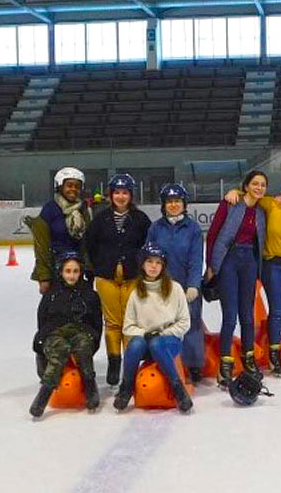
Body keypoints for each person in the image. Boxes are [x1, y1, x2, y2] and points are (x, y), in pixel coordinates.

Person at [224, 182, 281, 376]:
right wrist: (234, 191)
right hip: (273, 264)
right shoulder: (271, 205)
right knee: (278, 310)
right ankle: (275, 352)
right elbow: (252, 194)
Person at [84, 174, 151, 386]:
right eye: (117, 192)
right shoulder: (100, 219)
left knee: (131, 322)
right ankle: (114, 362)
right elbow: (88, 245)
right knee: (112, 322)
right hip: (106, 278)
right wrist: (93, 268)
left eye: (125, 192)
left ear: (131, 195)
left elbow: (149, 247)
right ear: (111, 195)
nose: (121, 196)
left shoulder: (141, 220)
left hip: (133, 277)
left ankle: (131, 362)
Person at [114, 243, 193, 413]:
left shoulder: (175, 289)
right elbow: (128, 325)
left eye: (158, 263)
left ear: (163, 266)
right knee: (134, 344)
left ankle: (178, 388)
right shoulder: (136, 292)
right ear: (142, 264)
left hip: (168, 341)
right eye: (149, 261)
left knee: (157, 343)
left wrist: (162, 334)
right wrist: (145, 334)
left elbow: (184, 322)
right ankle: (126, 387)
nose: (153, 266)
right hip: (145, 340)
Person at [206, 171, 268, 387]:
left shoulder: (262, 211)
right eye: (255, 184)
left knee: (247, 314)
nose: (259, 188)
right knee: (230, 314)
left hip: (249, 261)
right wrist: (212, 265)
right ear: (246, 186)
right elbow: (213, 234)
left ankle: (249, 358)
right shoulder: (231, 203)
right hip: (228, 260)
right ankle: (225, 362)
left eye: (263, 185)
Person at [29, 252, 103, 418]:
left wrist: (94, 338)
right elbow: (42, 320)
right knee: (60, 349)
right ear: (61, 272)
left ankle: (90, 385)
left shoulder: (89, 295)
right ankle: (44, 392)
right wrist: (42, 341)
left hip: (80, 331)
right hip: (55, 333)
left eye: (75, 271)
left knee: (83, 346)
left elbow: (97, 322)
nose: (71, 275)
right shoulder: (52, 294)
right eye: (68, 271)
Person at [146, 184, 204, 383]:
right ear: (163, 205)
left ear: (184, 204)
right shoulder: (156, 228)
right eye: (169, 202)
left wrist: (194, 285)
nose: (173, 205)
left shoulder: (193, 228)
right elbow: (148, 257)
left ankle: (193, 364)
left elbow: (197, 259)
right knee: (163, 325)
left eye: (177, 201)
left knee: (191, 325)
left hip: (186, 286)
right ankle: (165, 362)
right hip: (162, 287)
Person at [28, 167, 93, 295]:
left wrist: (90, 269)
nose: (73, 189)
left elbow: (88, 243)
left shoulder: (84, 210)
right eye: (69, 185)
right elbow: (42, 247)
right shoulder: (49, 210)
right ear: (60, 186)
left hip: (78, 270)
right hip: (55, 271)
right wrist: (44, 277)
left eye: (77, 186)